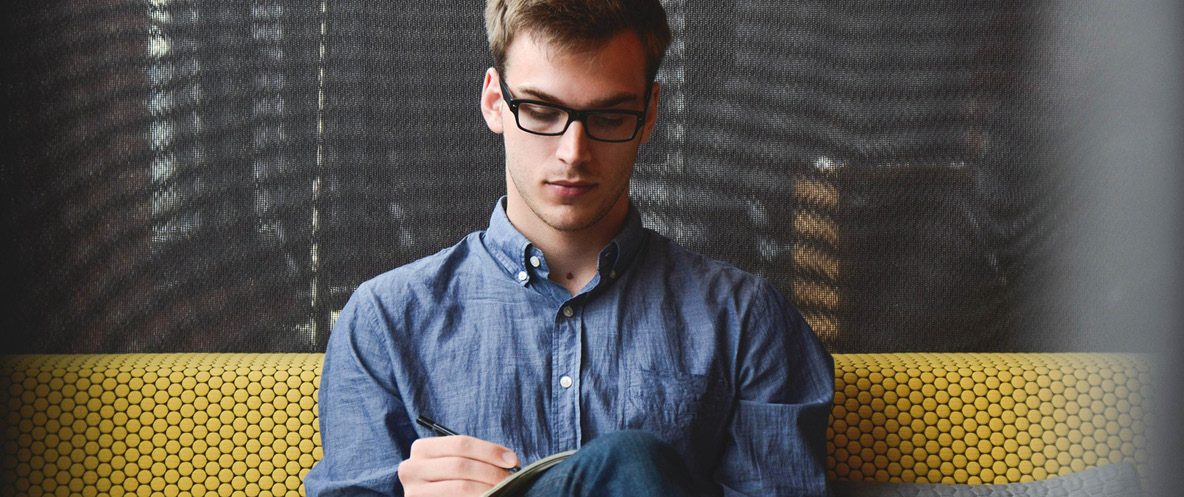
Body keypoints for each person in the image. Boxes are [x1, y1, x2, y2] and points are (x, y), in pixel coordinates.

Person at [303, 0, 834, 496]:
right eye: (539, 110)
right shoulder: (385, 320)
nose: (572, 153)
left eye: (609, 117)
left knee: (634, 463)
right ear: (496, 103)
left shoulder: (746, 319)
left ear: (649, 116)